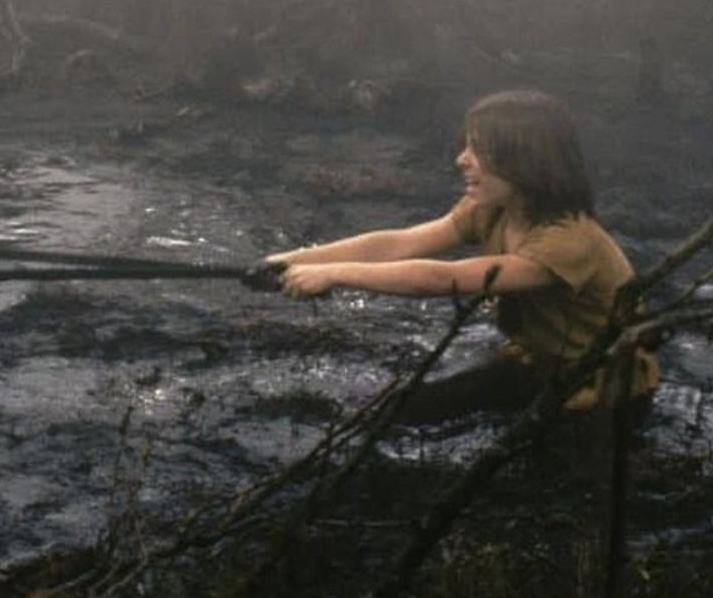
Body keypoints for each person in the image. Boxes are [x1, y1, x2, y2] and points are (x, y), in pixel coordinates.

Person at [260, 90, 657, 424]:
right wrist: (292, 260)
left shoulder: (570, 242)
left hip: (603, 389)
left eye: (478, 149)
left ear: (525, 162)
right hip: (534, 360)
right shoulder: (494, 207)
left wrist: (335, 274)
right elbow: (400, 243)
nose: (461, 159)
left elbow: (441, 279)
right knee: (395, 413)